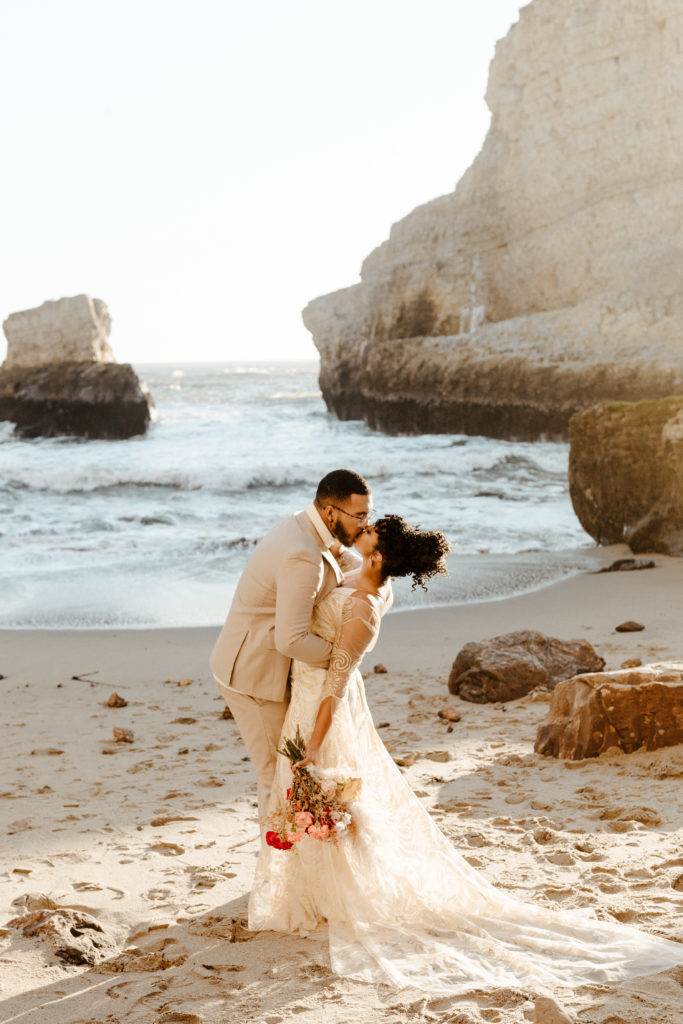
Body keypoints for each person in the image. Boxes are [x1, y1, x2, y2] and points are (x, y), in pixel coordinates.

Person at [249, 515, 683, 998]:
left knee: (327, 798)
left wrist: (313, 741)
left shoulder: (365, 607)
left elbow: (336, 684)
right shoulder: (354, 572)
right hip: (307, 697)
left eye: (369, 530)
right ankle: (316, 890)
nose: (362, 527)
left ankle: (337, 894)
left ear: (378, 555)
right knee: (317, 801)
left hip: (321, 711)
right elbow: (326, 558)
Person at [210, 469, 374, 821]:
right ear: (331, 512)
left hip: (258, 657)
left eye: (368, 515)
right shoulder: (303, 554)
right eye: (359, 516)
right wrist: (343, 658)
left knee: (286, 772)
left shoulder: (304, 526)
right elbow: (292, 639)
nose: (364, 524)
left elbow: (330, 565)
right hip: (253, 674)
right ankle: (274, 870)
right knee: (275, 774)